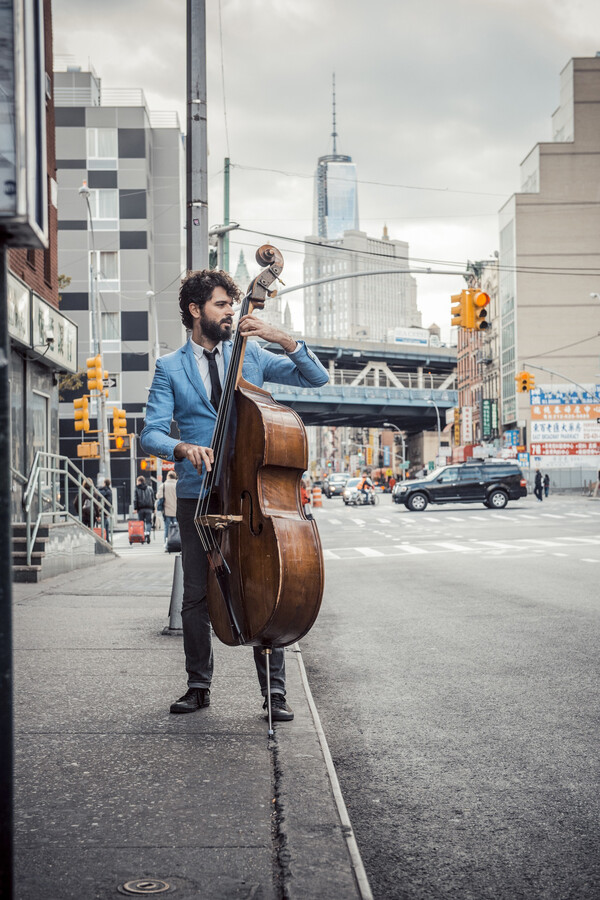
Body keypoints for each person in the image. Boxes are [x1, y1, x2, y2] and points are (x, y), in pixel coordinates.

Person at [140, 268, 328, 721]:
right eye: (222, 304)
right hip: (199, 497)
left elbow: (316, 378)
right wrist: (181, 447)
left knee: (265, 585)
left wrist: (281, 337)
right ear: (195, 310)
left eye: (232, 305)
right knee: (197, 597)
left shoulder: (253, 355)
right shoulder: (169, 368)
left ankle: (275, 695)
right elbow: (151, 434)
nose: (230, 312)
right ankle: (198, 685)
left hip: (253, 495)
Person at [158, 470, 178, 549]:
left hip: (167, 510)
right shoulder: (178, 484)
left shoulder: (163, 485)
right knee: (177, 528)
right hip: (176, 510)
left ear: (168, 476)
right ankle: (177, 542)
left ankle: (167, 544)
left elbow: (159, 496)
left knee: (167, 528)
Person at [134, 475, 155, 542]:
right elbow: (153, 499)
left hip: (140, 509)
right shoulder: (150, 488)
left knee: (141, 522)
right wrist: (154, 508)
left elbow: (135, 499)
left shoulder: (137, 489)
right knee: (149, 522)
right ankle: (147, 533)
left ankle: (142, 536)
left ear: (139, 481)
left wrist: (135, 508)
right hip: (149, 508)